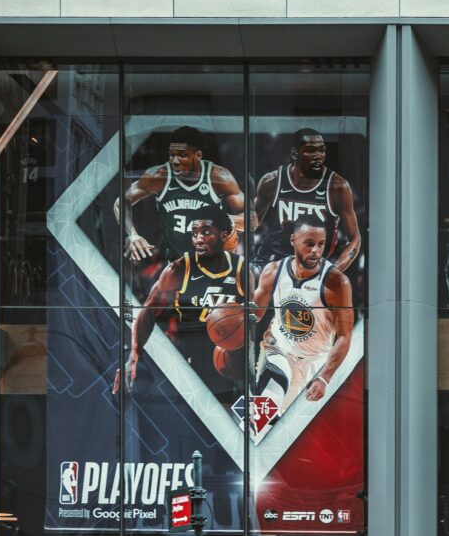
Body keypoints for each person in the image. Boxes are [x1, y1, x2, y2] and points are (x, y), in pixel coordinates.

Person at [117, 205, 250, 397]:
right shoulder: (179, 269)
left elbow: (261, 313)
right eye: (194, 233)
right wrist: (135, 354)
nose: (199, 239)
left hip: (231, 355)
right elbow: (149, 311)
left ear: (224, 234)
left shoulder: (242, 269)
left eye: (206, 232)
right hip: (191, 354)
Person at [250, 220, 355, 417]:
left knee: (292, 435)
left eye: (321, 244)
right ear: (293, 240)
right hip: (279, 352)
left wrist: (324, 378)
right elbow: (253, 315)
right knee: (263, 415)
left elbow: (344, 336)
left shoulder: (337, 282)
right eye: (309, 243)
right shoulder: (273, 271)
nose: (316, 250)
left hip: (316, 363)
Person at [115, 124, 245, 267]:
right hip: (177, 265)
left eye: (182, 155)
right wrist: (132, 235)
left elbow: (252, 219)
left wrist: (227, 221)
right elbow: (120, 204)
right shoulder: (159, 176)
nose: (175, 161)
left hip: (212, 262)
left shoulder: (220, 178)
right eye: (172, 155)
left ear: (198, 156)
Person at [246, 128, 362, 274]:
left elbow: (354, 239)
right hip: (272, 260)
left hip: (313, 264)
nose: (318, 156)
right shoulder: (272, 181)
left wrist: (333, 272)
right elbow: (250, 225)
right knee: (248, 276)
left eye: (321, 150)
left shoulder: (337, 187)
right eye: (311, 150)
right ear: (295, 153)